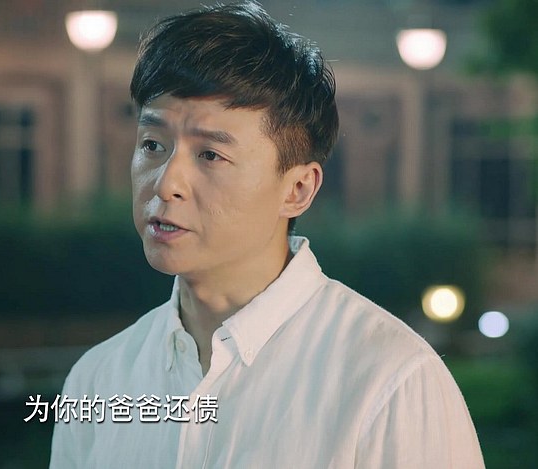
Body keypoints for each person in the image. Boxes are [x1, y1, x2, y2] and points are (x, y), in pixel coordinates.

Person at [50, 1, 485, 467]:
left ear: (297, 189)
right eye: (153, 145)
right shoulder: (98, 381)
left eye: (210, 155)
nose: (166, 183)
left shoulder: (391, 382)